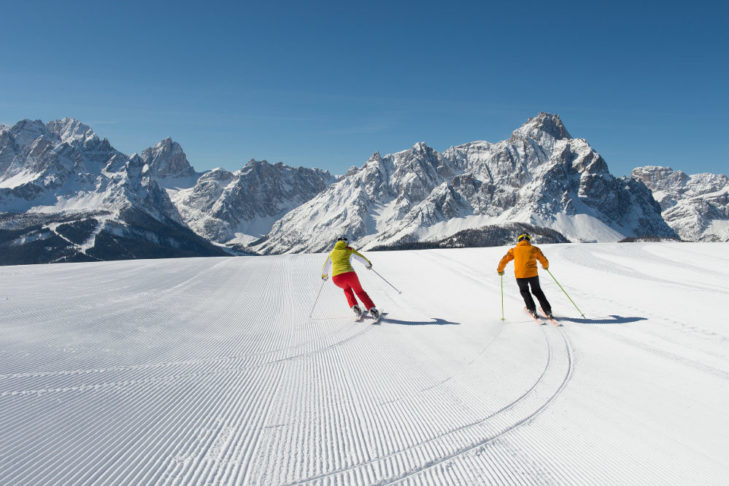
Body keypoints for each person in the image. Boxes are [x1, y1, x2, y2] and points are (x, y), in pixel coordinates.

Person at [321, 236, 380, 320]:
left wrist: (324, 276)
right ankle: (372, 310)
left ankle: (355, 307)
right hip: (350, 275)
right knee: (359, 291)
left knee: (347, 289)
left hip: (337, 278)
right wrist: (368, 264)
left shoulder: (332, 253)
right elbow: (360, 257)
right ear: (346, 242)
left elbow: (325, 266)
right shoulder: (349, 250)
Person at [497, 233, 553, 319]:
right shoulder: (535, 249)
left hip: (520, 275)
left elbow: (504, 260)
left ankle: (532, 309)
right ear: (529, 240)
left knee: (524, 291)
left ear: (519, 240)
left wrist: (500, 270)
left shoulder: (514, 250)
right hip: (533, 274)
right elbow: (543, 259)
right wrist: (545, 266)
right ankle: (548, 310)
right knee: (537, 291)